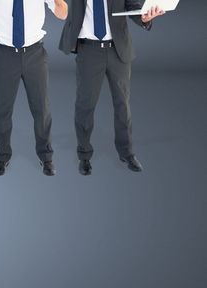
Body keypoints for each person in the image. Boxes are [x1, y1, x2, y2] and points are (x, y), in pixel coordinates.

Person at [58, 1, 164, 175]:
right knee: (85, 105)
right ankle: (84, 155)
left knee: (123, 104)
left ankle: (127, 153)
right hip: (89, 50)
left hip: (117, 49)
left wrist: (144, 18)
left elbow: (132, 5)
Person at [0, 0, 68, 176]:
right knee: (2, 110)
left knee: (42, 109)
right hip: (5, 55)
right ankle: (2, 157)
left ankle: (46, 157)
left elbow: (63, 14)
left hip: (35, 54)